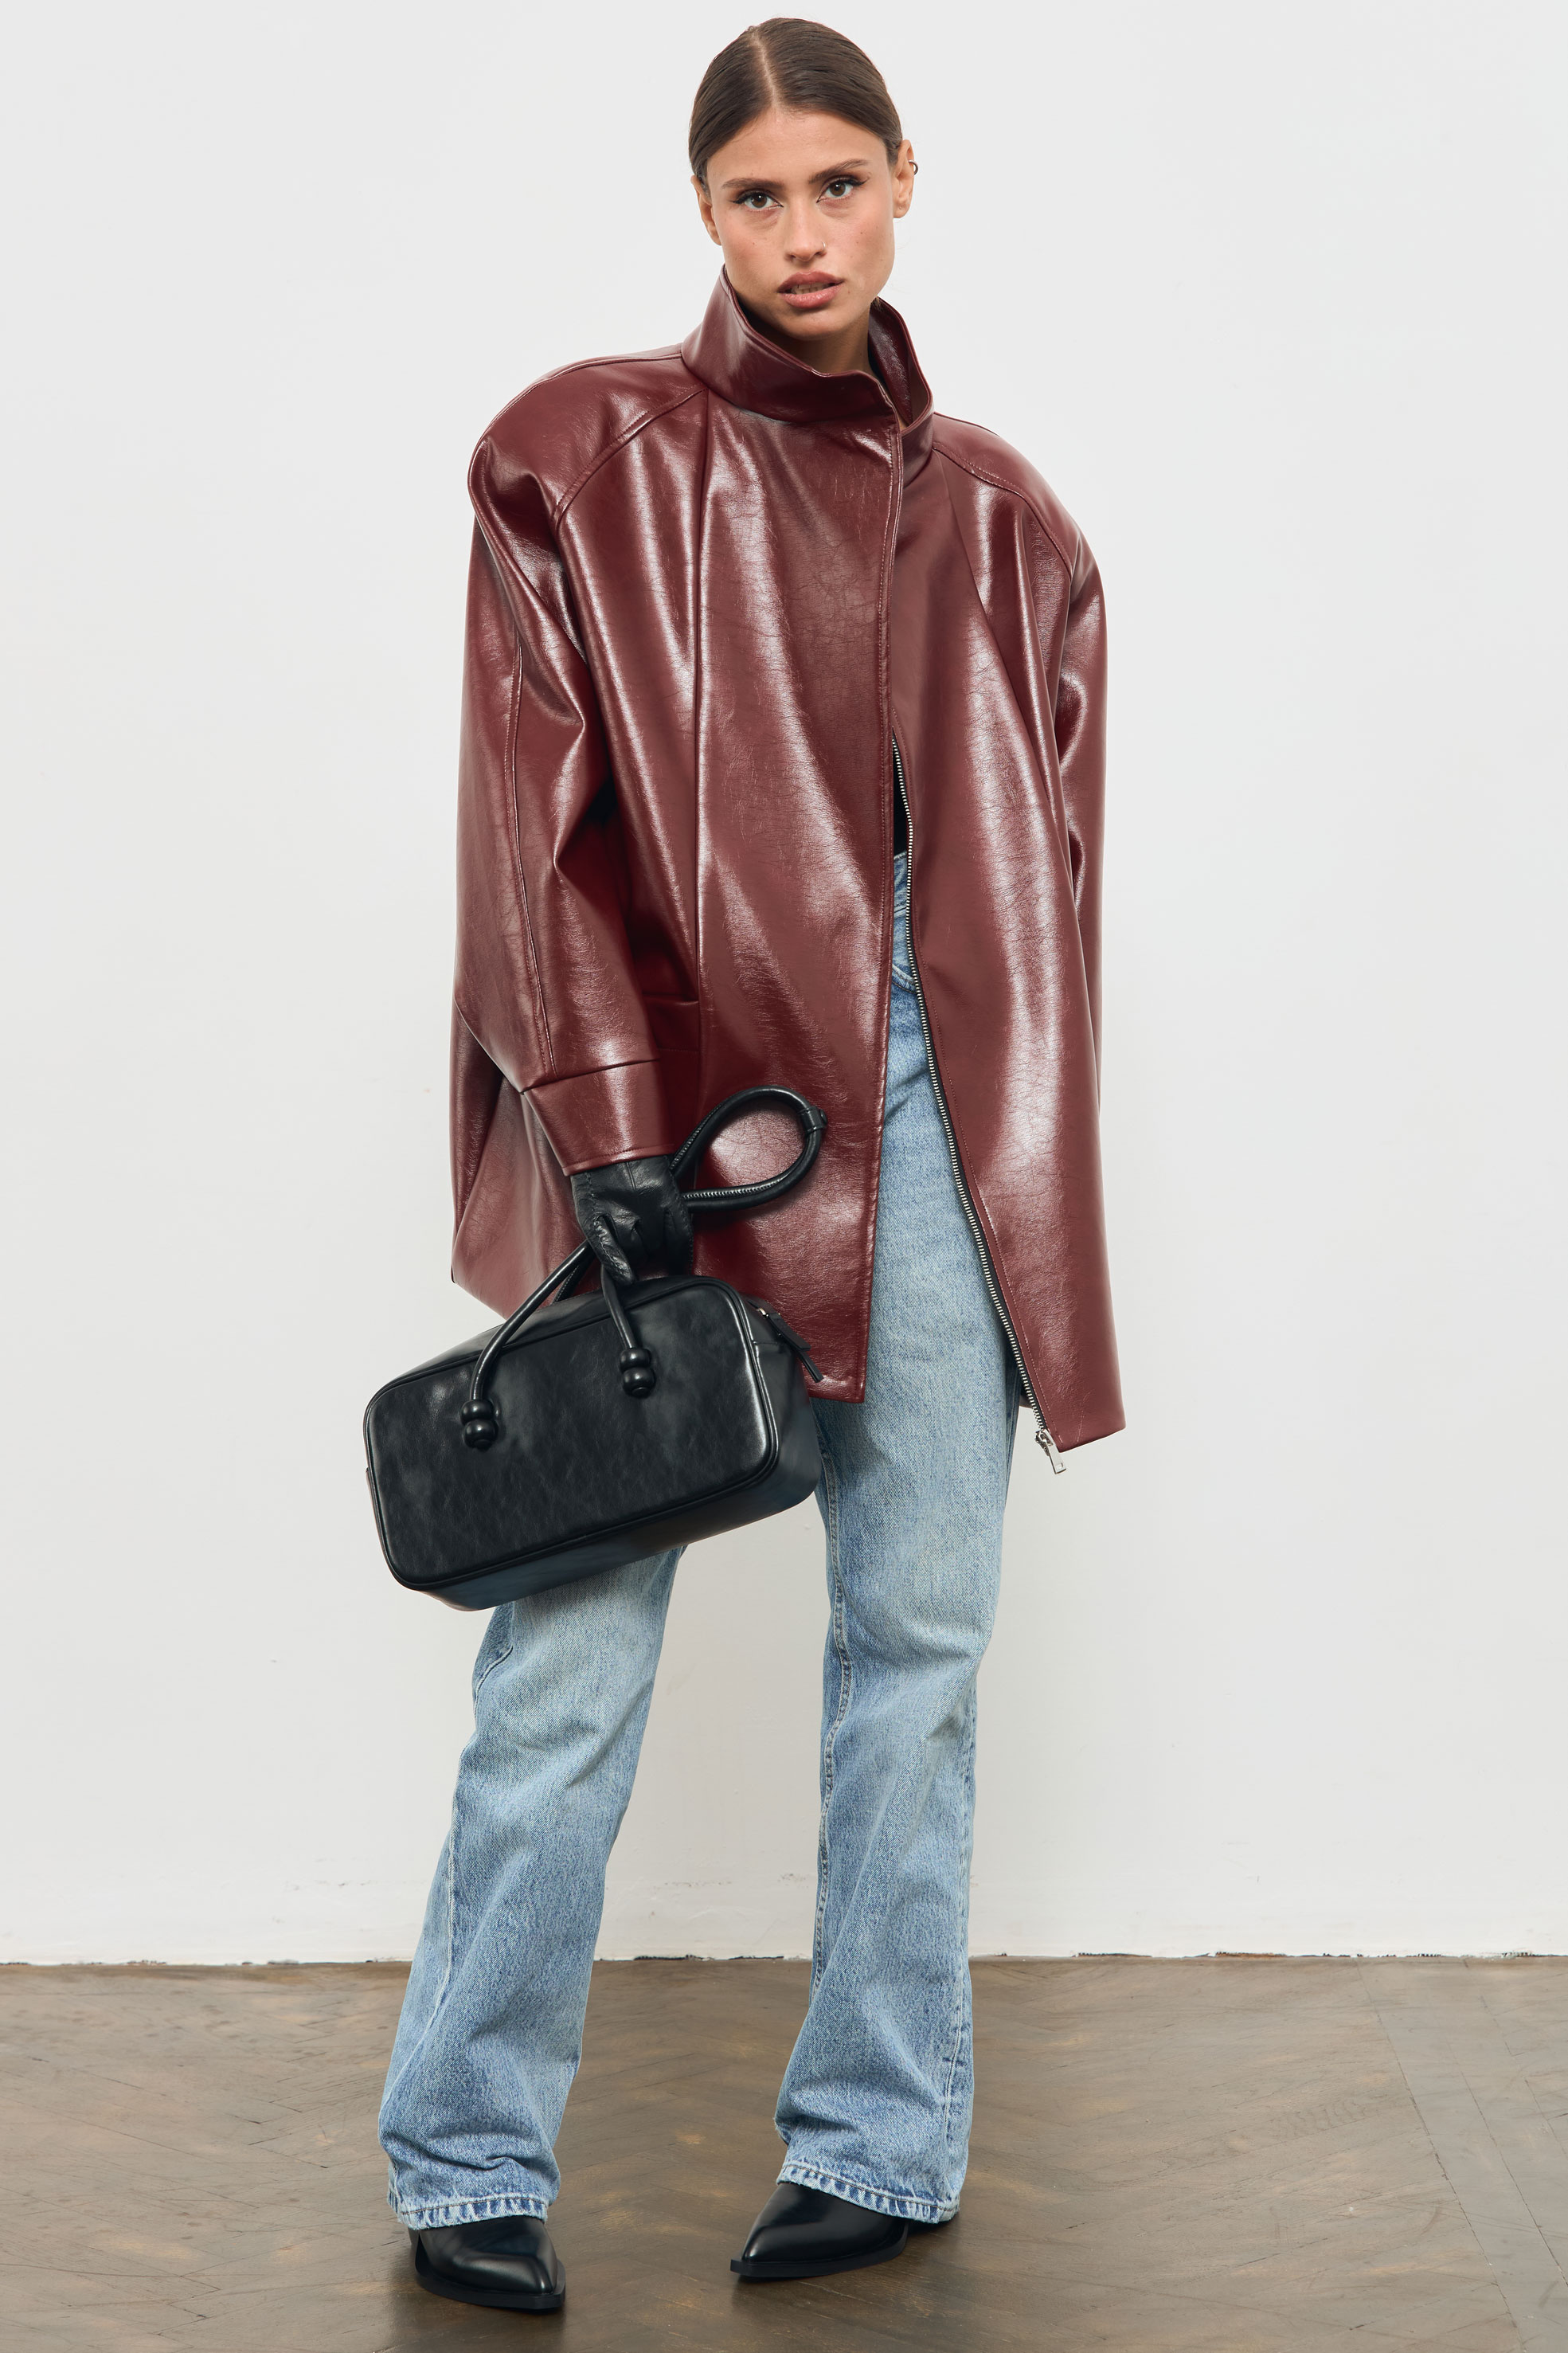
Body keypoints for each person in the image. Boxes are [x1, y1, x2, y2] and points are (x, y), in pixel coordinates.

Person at [377, 15, 1122, 2315]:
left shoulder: (1004, 512)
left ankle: (884, 2136)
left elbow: (1046, 891)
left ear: (905, 178)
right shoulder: (574, 455)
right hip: (688, 1117)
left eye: (836, 183)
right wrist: (609, 1128)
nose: (802, 235)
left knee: (919, 1648)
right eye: (753, 196)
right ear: (701, 211)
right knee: (567, 1661)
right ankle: (464, 2151)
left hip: (923, 1096)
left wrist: (1016, 1162)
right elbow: (526, 833)